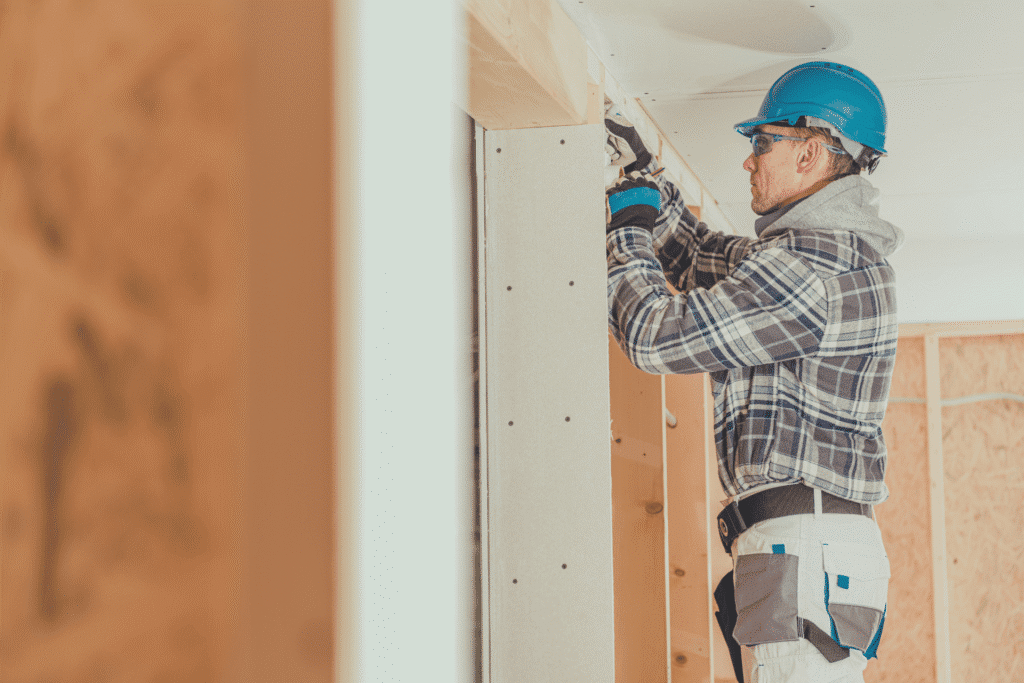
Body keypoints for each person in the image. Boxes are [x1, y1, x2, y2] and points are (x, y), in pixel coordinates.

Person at [604, 62, 903, 683]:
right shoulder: (816, 257)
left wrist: (627, 228)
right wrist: (644, 177)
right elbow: (699, 256)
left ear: (810, 153)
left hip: (804, 545)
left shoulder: (812, 270)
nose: (749, 160)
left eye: (763, 142)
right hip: (808, 546)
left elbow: (652, 336)